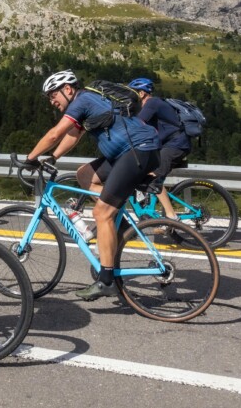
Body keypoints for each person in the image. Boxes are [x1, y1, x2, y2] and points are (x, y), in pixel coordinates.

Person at [24, 70, 160, 301]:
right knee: (85, 174)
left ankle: (106, 281)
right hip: (130, 152)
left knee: (101, 213)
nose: (52, 101)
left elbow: (55, 134)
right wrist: (53, 157)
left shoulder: (83, 100)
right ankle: (120, 221)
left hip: (137, 151)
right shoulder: (89, 101)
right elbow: (72, 136)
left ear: (68, 89)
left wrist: (30, 158)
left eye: (53, 95)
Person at [128, 77, 190, 221]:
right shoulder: (149, 106)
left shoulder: (152, 103)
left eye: (132, 93)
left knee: (154, 178)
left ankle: (171, 217)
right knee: (141, 169)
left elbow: (137, 125)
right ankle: (146, 203)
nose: (130, 97)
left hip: (176, 145)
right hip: (169, 144)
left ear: (141, 93)